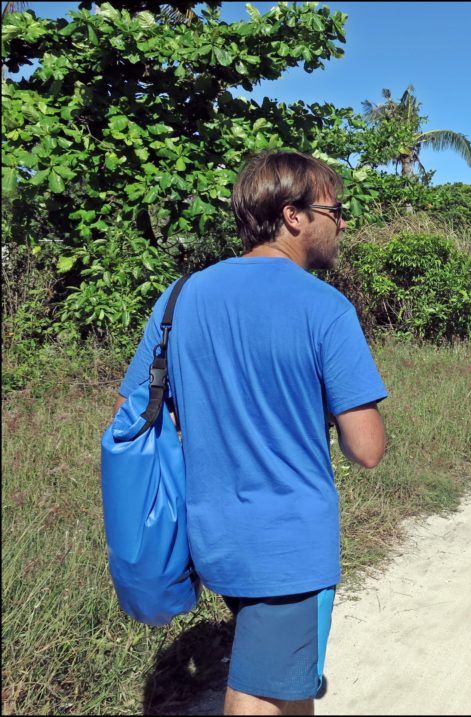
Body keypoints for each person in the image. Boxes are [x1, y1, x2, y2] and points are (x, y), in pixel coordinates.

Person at [114, 151, 388, 716]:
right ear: (294, 216)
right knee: (261, 697)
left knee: (284, 682)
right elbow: (367, 449)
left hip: (211, 537)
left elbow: (135, 411)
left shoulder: (179, 297)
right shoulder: (325, 307)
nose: (341, 222)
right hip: (286, 547)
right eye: (334, 210)